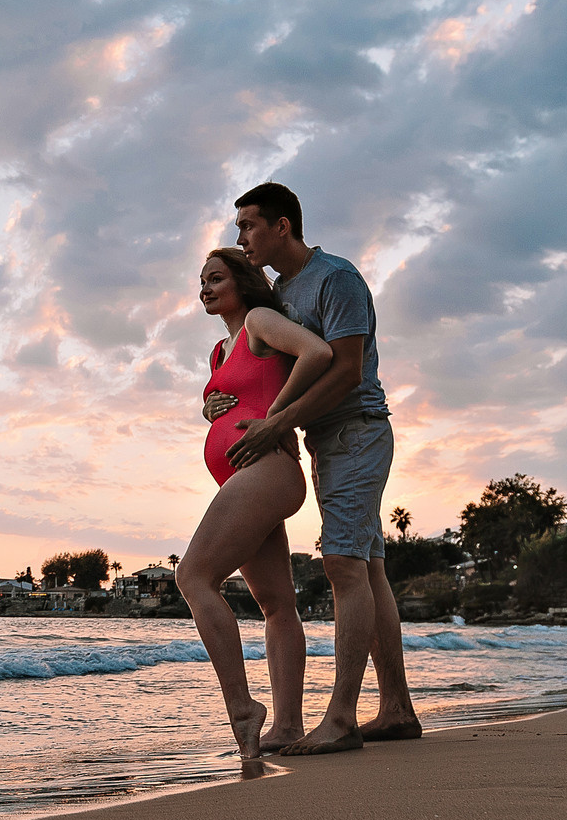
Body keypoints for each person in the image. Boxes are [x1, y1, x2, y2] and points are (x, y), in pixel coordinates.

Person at [207, 181, 419, 754]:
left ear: (282, 226)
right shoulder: (278, 293)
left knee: (343, 563)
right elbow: (265, 367)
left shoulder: (335, 278)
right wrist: (221, 401)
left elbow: (346, 368)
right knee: (369, 569)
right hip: (323, 439)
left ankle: (341, 718)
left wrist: (276, 422)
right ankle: (397, 709)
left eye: (249, 225)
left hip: (358, 430)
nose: (241, 237)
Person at [175, 247, 334, 760]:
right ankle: (287, 725)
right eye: (202, 281)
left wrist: (276, 418)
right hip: (243, 477)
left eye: (216, 278)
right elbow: (238, 394)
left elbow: (317, 353)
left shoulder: (260, 322)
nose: (205, 288)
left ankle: (242, 708)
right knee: (276, 604)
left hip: (268, 469)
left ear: (242, 281)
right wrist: (209, 409)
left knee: (193, 576)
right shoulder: (218, 352)